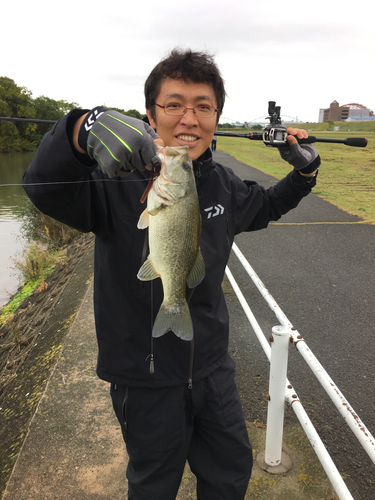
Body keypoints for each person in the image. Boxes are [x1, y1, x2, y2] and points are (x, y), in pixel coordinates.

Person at [22, 49, 320, 500]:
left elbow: (267, 204)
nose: (189, 118)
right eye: (174, 103)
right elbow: (43, 187)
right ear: (149, 115)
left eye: (204, 106)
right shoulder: (113, 181)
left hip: (212, 369)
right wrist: (81, 128)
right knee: (154, 483)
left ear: (216, 116)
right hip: (144, 377)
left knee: (230, 472)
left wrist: (305, 172)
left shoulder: (223, 183)